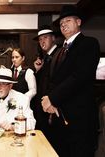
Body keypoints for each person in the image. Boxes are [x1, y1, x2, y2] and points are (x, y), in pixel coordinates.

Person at [41, 5, 100, 157]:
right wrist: (49, 102)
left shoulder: (89, 44)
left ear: (78, 22)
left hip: (80, 118)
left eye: (68, 20)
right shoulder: (59, 51)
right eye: (61, 24)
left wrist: (52, 98)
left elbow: (79, 76)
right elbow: (53, 80)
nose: (64, 25)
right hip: (59, 117)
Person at [32, 25, 59, 138]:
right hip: (42, 109)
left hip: (52, 106)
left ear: (53, 38)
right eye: (40, 39)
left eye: (45, 38)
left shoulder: (59, 54)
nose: (42, 41)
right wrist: (38, 71)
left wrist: (53, 101)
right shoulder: (45, 58)